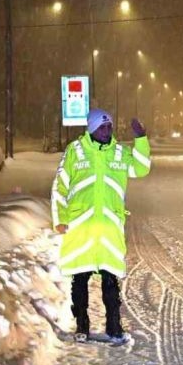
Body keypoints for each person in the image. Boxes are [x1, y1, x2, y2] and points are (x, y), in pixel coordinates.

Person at [51, 109, 151, 343]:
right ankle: (82, 326)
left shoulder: (119, 153)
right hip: (81, 227)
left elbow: (141, 168)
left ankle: (114, 327)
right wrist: (60, 219)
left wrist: (141, 139)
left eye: (109, 127)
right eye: (102, 127)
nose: (107, 131)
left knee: (110, 280)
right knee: (80, 278)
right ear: (91, 129)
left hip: (109, 228)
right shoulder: (75, 151)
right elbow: (60, 186)